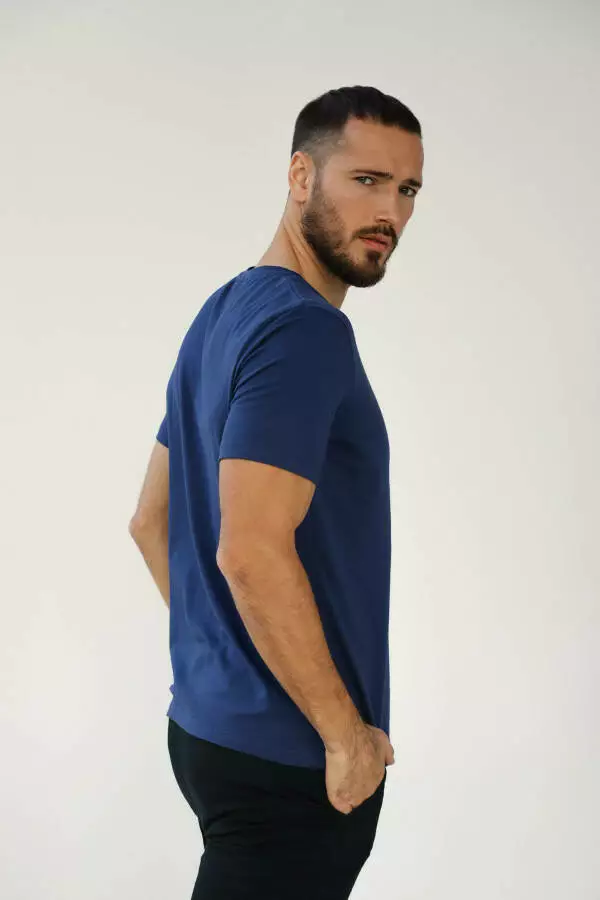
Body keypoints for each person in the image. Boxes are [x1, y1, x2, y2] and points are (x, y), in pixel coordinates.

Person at [129, 84, 424, 899]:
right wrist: (343, 734)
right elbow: (250, 550)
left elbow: (152, 520)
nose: (390, 212)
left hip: (213, 734)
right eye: (366, 180)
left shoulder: (221, 313)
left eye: (407, 189)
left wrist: (232, 657)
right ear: (301, 176)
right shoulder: (305, 330)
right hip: (292, 762)